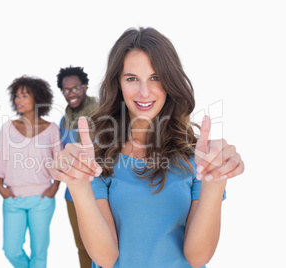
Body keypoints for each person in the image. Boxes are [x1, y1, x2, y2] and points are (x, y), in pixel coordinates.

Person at [49, 27, 245, 268]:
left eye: (156, 77)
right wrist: (79, 185)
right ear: (118, 84)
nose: (144, 92)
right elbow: (105, 258)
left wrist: (215, 184)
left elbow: (198, 257)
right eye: (132, 78)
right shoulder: (98, 159)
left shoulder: (198, 158)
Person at [0, 75, 62, 268]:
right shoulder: (8, 127)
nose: (18, 100)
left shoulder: (51, 129)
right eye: (16, 96)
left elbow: (58, 160)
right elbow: (1, 157)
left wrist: (54, 188)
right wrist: (0, 186)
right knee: (11, 250)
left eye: (24, 95)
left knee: (39, 252)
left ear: (37, 98)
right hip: (13, 197)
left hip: (42, 198)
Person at [56, 66, 98, 268]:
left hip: (101, 191)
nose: (71, 93)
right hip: (72, 195)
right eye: (66, 90)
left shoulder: (102, 113)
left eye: (76, 88)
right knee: (83, 247)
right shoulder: (63, 122)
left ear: (85, 87)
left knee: (104, 246)